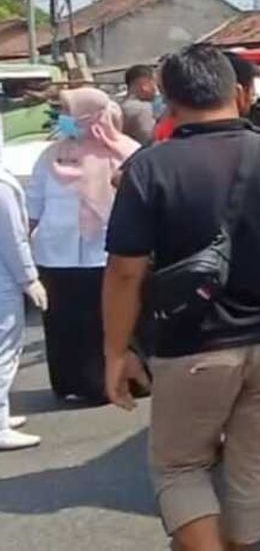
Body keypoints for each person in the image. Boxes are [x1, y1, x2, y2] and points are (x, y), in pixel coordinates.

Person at [102, 43, 260, 551]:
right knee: (254, 468)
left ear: (167, 97)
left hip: (191, 345)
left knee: (180, 467)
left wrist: (116, 352)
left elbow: (123, 272)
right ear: (237, 91)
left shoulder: (150, 167)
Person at [27, 87, 140, 403]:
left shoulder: (127, 154)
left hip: (106, 255)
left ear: (90, 116)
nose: (63, 120)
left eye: (68, 113)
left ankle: (111, 383)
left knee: (105, 323)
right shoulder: (51, 155)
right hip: (56, 256)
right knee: (63, 323)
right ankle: (69, 382)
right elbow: (34, 205)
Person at [0, 157, 48, 450]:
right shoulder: (2, 186)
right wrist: (29, 278)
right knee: (5, 349)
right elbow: (13, 239)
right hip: (4, 278)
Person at [119, 64, 160, 146]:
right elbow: (151, 140)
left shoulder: (121, 107)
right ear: (144, 85)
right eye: (154, 84)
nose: (156, 90)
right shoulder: (142, 109)